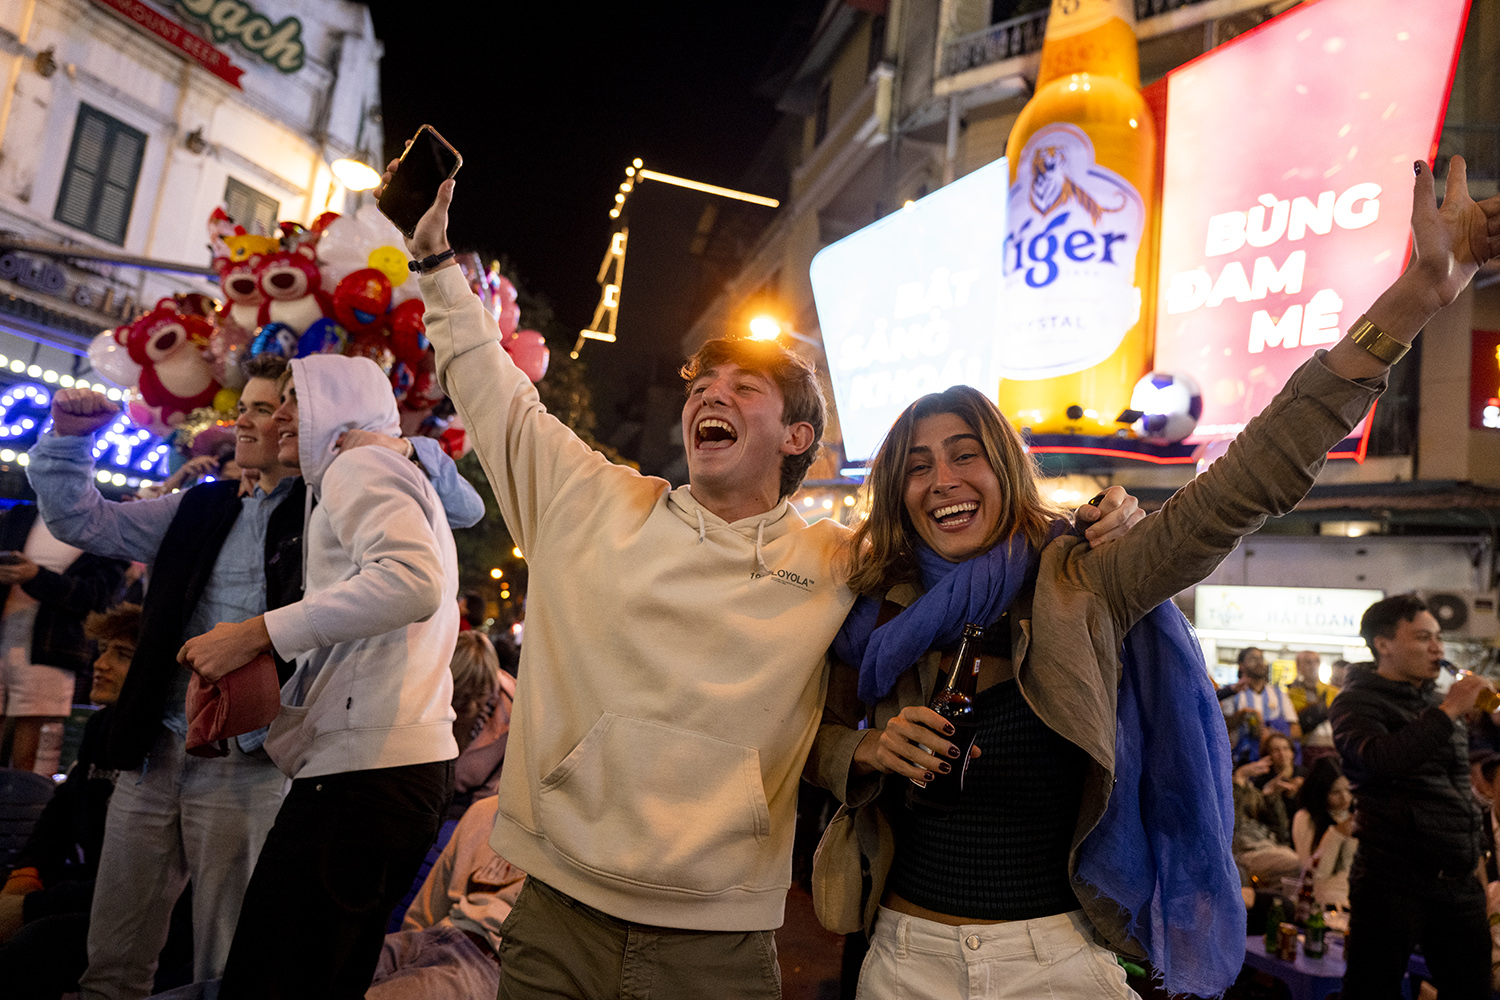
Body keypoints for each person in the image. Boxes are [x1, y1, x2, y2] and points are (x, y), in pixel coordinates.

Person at [379, 151, 1145, 999]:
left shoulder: (839, 559)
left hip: (723, 940)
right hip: (556, 913)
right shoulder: (584, 501)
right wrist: (434, 266)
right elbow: (494, 392)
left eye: (746, 387)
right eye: (703, 384)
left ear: (794, 440)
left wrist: (1083, 525)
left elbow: (967, 537)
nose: (712, 394)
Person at [803, 158, 1500, 998]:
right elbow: (798, 736)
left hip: (1054, 963)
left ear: (1005, 471)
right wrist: (867, 747)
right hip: (900, 958)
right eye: (917, 466)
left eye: (965, 454)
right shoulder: (868, 605)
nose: (943, 480)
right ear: (896, 491)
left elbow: (1249, 479)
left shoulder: (1083, 579)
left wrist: (1419, 295)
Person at [26, 354, 482, 1000]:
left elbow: (458, 515)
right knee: (114, 965)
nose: (249, 421)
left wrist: (392, 442)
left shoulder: (334, 485)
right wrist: (69, 443)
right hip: (156, 753)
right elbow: (86, 522)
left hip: (255, 766)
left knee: (236, 966)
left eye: (271, 408)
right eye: (248, 408)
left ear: (317, 417)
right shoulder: (198, 509)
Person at [178, 354, 461, 999]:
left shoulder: (356, 464)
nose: (277, 416)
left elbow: (412, 583)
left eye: (295, 400)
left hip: (364, 776)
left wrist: (253, 633)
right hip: (394, 770)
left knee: (268, 982)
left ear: (342, 407)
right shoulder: (383, 468)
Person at [0, 603, 179, 1000]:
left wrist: (29, 907)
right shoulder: (102, 725)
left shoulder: (171, 745)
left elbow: (153, 881)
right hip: (92, 891)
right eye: (103, 650)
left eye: (122, 655)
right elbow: (61, 812)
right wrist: (24, 876)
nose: (101, 664)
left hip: (151, 917)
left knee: (33, 946)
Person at [1330, 593, 1495, 997]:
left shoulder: (1438, 702)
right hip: (1393, 880)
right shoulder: (1355, 702)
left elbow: (1456, 787)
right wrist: (1449, 711)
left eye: (1438, 638)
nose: (1437, 648)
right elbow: (1382, 761)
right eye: (1423, 637)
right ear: (1383, 644)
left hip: (1458, 880)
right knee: (1373, 989)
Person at [0, 502, 126, 775]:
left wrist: (37, 577)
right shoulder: (21, 515)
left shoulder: (102, 531)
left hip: (53, 647)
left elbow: (97, 597)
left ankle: (30, 812)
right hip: (7, 636)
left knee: (31, 758)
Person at [367, 795, 525, 1000]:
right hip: (437, 935)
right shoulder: (486, 810)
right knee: (330, 969)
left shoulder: (572, 838)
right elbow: (424, 915)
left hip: (496, 964)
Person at [1290, 756, 1357, 912]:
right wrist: (1336, 834)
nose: (1345, 798)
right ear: (1320, 792)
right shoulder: (1305, 818)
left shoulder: (1354, 815)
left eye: (1348, 789)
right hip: (1323, 902)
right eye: (1336, 792)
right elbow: (1314, 872)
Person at [1221, 647, 1301, 765]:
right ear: (1241, 665)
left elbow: (1296, 730)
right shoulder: (1232, 692)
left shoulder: (1278, 694)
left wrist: (1272, 731)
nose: (1259, 662)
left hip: (1273, 760)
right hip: (1241, 759)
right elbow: (1224, 726)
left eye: (1261, 658)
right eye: (1253, 659)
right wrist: (1242, 715)